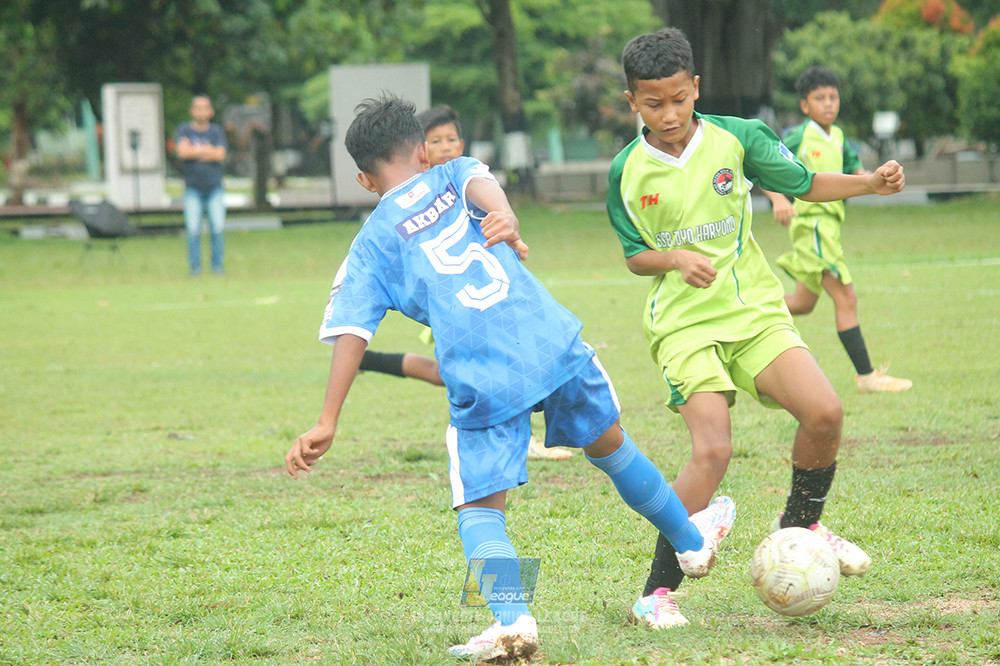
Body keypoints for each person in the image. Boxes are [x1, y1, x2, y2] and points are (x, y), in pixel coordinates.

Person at [285, 94, 736, 661]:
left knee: (479, 509)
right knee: (612, 447)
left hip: (482, 371)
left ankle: (512, 619)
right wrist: (508, 215)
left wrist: (328, 420)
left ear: (363, 178)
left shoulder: (369, 245)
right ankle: (693, 544)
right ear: (423, 151)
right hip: (550, 342)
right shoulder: (452, 173)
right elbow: (482, 183)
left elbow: (351, 331)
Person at [606, 28, 905, 629]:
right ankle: (655, 593)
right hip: (684, 326)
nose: (669, 114)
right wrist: (673, 259)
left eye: (678, 99)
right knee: (713, 449)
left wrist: (868, 183)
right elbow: (635, 253)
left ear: (695, 87)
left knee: (824, 413)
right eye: (653, 103)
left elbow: (804, 183)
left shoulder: (739, 139)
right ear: (631, 102)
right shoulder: (625, 171)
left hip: (754, 312)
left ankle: (800, 525)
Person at [358, 104, 571, 460]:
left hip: (486, 295)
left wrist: (510, 241)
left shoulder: (465, 180)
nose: (445, 147)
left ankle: (374, 361)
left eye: (452, 139)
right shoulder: (410, 202)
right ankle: (519, 434)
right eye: (436, 140)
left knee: (460, 369)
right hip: (450, 304)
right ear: (420, 152)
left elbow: (495, 218)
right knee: (480, 366)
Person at [762, 66, 912, 394]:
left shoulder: (840, 136)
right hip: (812, 225)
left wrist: (883, 176)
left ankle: (745, 307)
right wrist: (777, 200)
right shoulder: (798, 136)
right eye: (820, 98)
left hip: (830, 227)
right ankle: (867, 377)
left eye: (833, 97)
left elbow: (858, 172)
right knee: (846, 296)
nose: (828, 103)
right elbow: (765, 166)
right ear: (805, 105)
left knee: (802, 303)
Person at [175, 95, 227, 276]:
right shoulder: (184, 130)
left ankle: (217, 266)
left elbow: (220, 155)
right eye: (197, 107)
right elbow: (182, 152)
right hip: (192, 188)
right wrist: (207, 151)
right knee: (193, 229)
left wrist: (195, 151)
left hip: (214, 187)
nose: (201, 111)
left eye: (205, 107)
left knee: (218, 227)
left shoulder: (216, 132)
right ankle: (195, 268)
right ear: (192, 110)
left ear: (211, 111)